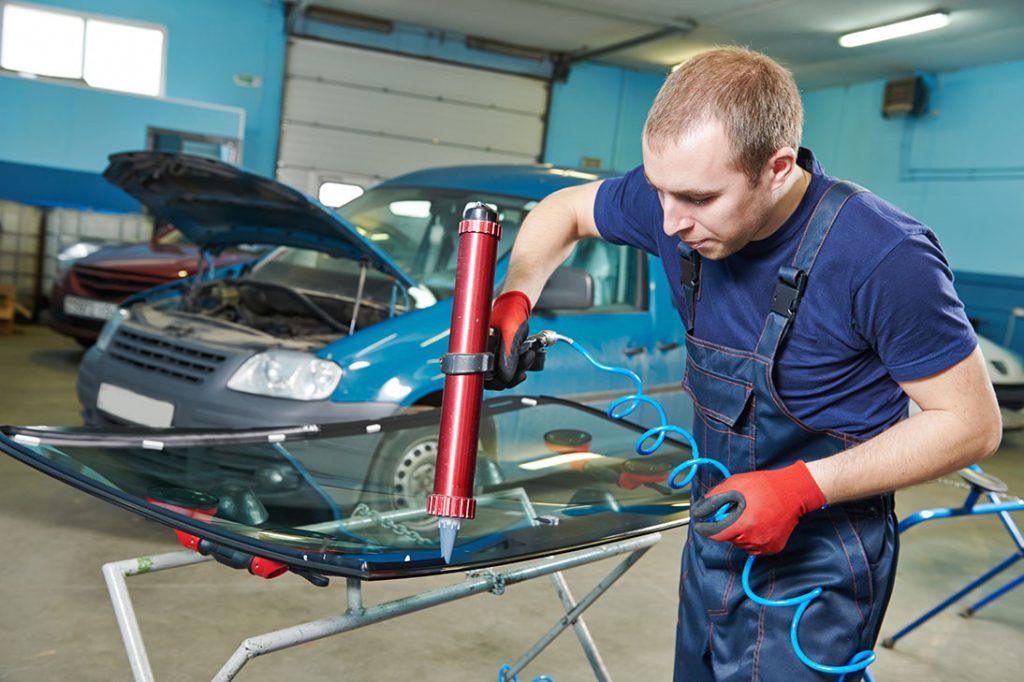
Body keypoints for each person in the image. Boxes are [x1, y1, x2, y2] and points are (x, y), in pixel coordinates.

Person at [486, 47, 1002, 680]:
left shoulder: (883, 255)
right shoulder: (675, 202)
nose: (670, 223)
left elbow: (971, 423)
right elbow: (561, 211)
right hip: (714, 534)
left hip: (820, 560)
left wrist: (799, 487)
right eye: (658, 192)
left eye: (698, 199)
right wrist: (516, 294)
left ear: (777, 168)